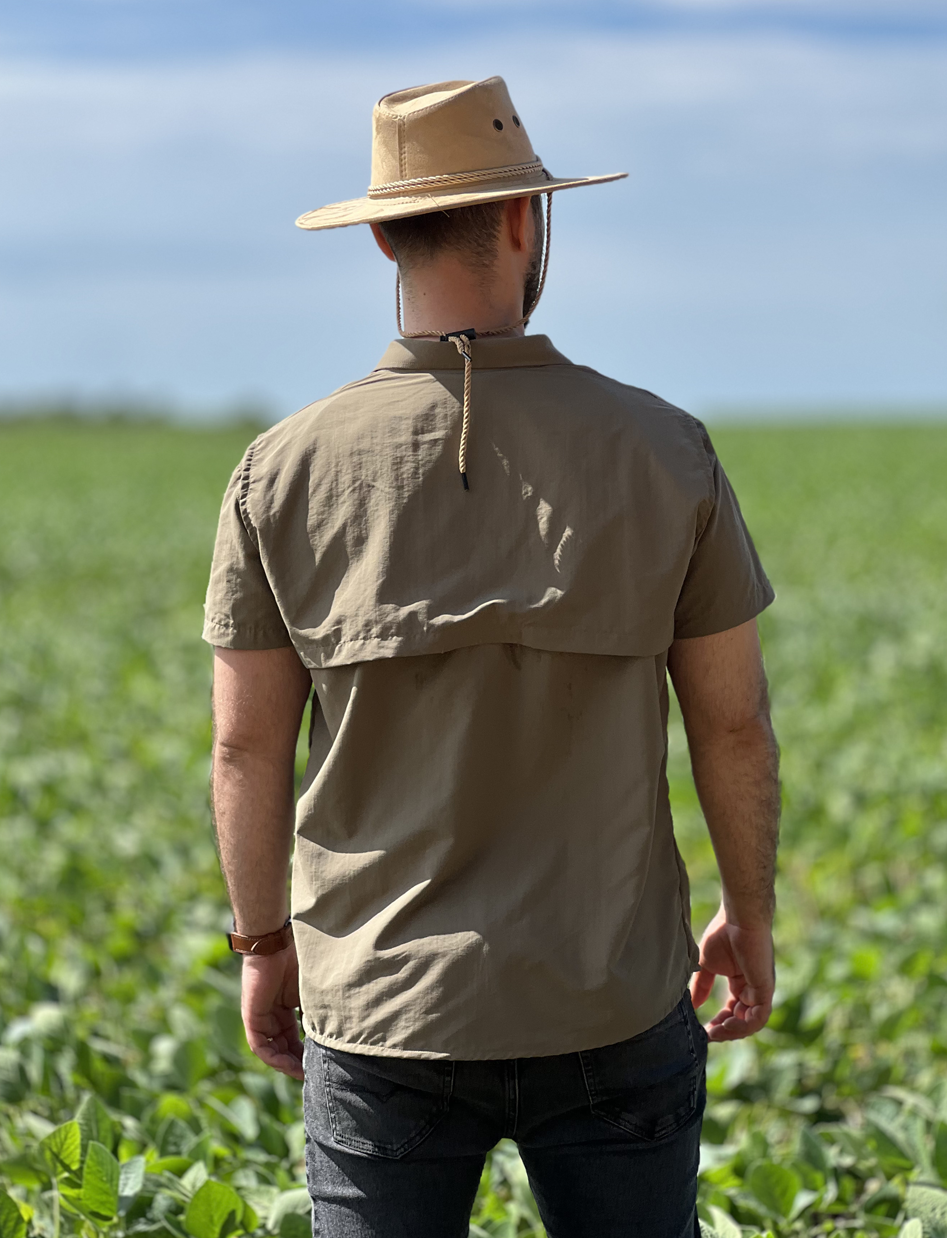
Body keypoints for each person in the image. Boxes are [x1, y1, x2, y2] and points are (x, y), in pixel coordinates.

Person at [204, 76, 780, 1238]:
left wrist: (265, 943)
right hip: (613, 994)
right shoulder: (667, 450)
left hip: (378, 1005)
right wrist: (748, 912)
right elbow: (732, 725)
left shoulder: (282, 467)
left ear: (378, 234)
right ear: (526, 218)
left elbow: (244, 740)